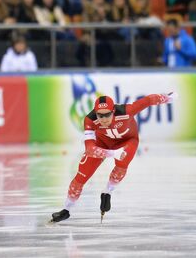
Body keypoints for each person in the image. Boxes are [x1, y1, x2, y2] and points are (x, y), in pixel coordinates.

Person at [49, 93, 177, 224]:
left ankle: (108, 191)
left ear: (113, 111)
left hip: (127, 141)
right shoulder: (89, 120)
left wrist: (167, 98)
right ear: (95, 113)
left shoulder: (127, 111)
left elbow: (149, 100)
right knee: (81, 176)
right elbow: (90, 149)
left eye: (107, 114)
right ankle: (66, 210)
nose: (103, 119)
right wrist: (113, 153)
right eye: (100, 115)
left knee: (122, 164)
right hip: (102, 144)